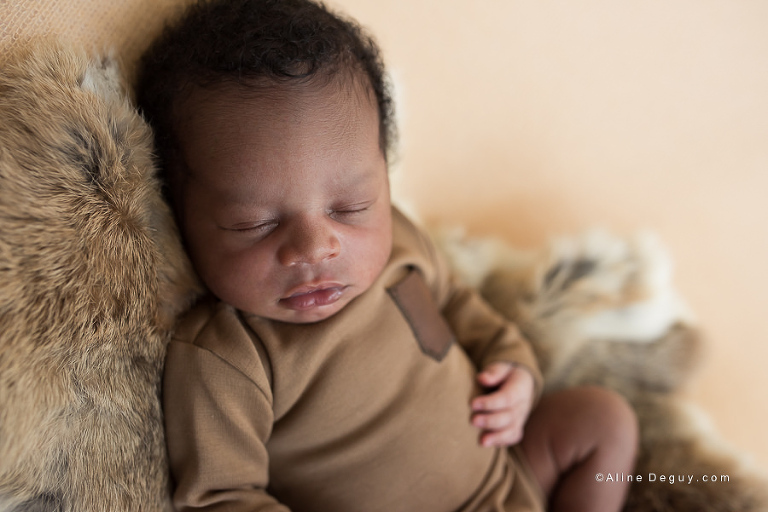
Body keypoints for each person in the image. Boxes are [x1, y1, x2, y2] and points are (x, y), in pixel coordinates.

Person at [136, 0, 638, 510]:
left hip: (510, 480)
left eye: (350, 207)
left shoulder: (399, 243)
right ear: (179, 215)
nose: (315, 248)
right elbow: (222, 497)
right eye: (254, 223)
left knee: (602, 419)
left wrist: (514, 370)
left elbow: (458, 305)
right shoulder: (229, 358)